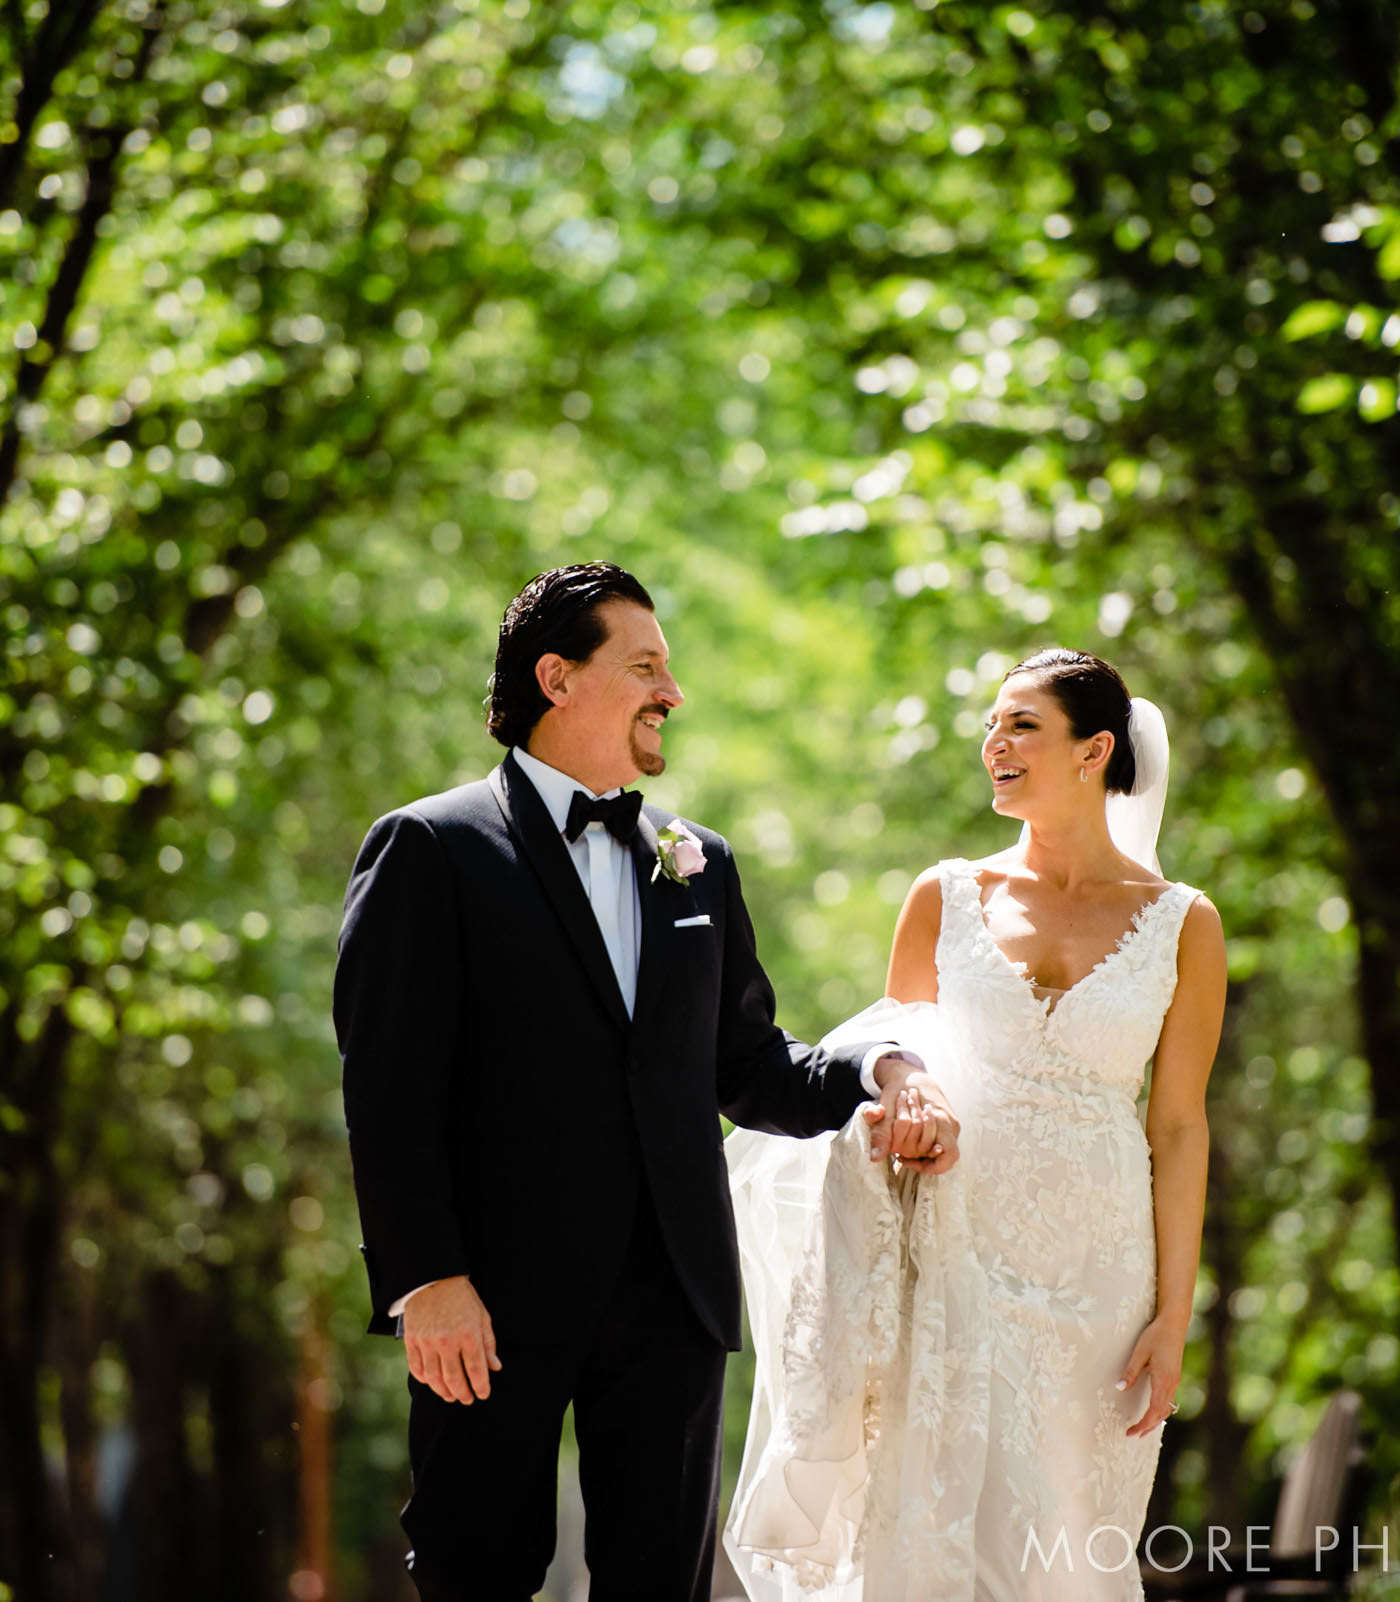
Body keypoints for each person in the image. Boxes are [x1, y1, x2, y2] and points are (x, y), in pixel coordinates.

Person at [332, 562, 964, 1601]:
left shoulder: (696, 860)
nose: (672, 694)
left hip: (674, 1300)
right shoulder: (429, 849)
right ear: (558, 677)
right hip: (488, 1304)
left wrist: (881, 1067)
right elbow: (387, 1088)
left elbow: (754, 1069)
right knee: (474, 1572)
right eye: (644, 667)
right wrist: (426, 1279)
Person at [725, 648, 1227, 1602]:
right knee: (936, 1514)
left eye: (1021, 725)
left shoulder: (1183, 924)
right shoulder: (945, 897)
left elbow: (1179, 1130)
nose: (994, 743)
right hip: (953, 1250)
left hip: (1100, 1271)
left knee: (1069, 1534)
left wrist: (1172, 1313)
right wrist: (892, 1127)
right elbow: (891, 1072)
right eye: (991, 726)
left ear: (1095, 750)